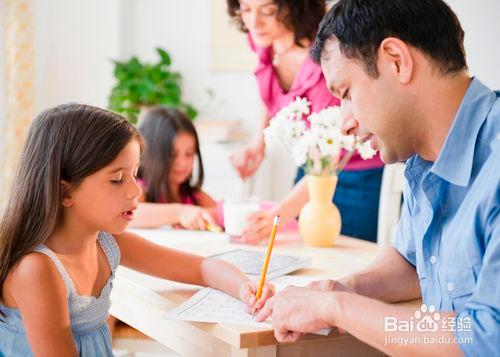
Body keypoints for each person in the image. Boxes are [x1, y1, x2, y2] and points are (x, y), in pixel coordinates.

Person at [255, 0, 500, 355]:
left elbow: (485, 335)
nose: (344, 122)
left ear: (396, 61)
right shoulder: (424, 157)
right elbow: (414, 263)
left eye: (347, 93)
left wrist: (335, 308)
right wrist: (341, 290)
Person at [0, 104, 273, 356]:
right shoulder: (38, 269)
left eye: (134, 174)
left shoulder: (106, 243)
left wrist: (244, 287)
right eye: (117, 179)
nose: (135, 189)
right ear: (64, 191)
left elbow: (201, 268)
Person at [227, 0, 384, 244]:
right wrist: (259, 142)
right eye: (246, 9)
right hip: (311, 166)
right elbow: (268, 86)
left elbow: (329, 155)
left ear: (295, 6)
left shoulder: (324, 58)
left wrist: (277, 217)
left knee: (348, 258)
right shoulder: (264, 40)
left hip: (354, 173)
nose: (254, 22)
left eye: (267, 11)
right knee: (307, 249)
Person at [129, 106, 219, 230]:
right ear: (151, 154)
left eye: (189, 153)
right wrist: (179, 213)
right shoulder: (140, 190)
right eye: (172, 155)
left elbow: (222, 214)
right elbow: (129, 213)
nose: (182, 163)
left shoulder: (195, 196)